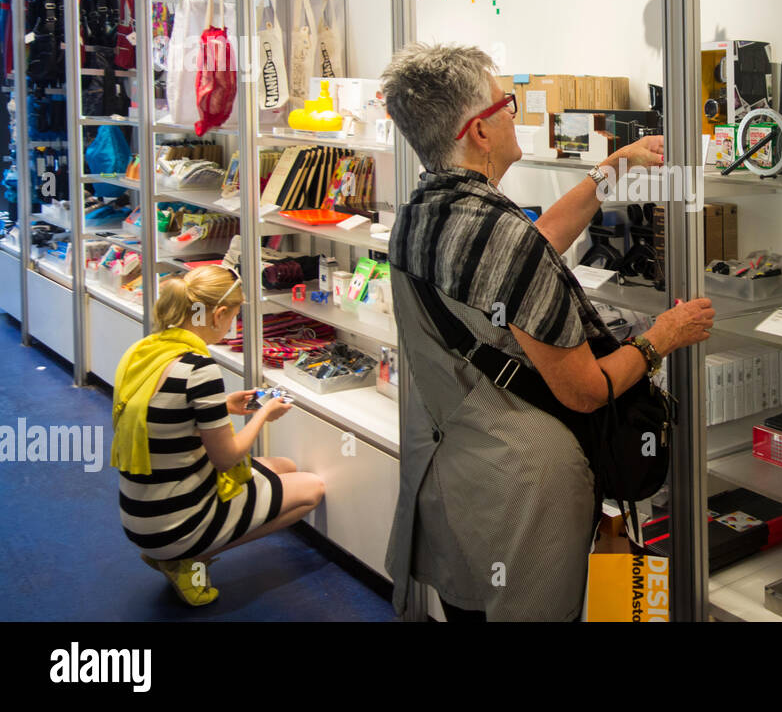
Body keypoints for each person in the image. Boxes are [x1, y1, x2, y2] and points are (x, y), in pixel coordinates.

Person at [381, 43, 715, 622]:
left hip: (460, 479)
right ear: (479, 133)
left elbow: (529, 248)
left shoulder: (425, 211)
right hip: (525, 492)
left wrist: (611, 169)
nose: (516, 112)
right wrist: (661, 335)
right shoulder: (496, 232)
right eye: (506, 102)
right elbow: (585, 389)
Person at [110, 266, 325, 606]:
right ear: (219, 314)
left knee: (283, 465)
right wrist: (264, 415)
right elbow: (226, 457)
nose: (232, 327)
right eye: (234, 318)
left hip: (139, 512)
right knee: (312, 488)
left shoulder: (146, 351)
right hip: (175, 522)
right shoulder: (200, 368)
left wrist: (223, 405)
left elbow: (163, 410)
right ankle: (185, 559)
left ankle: (178, 552)